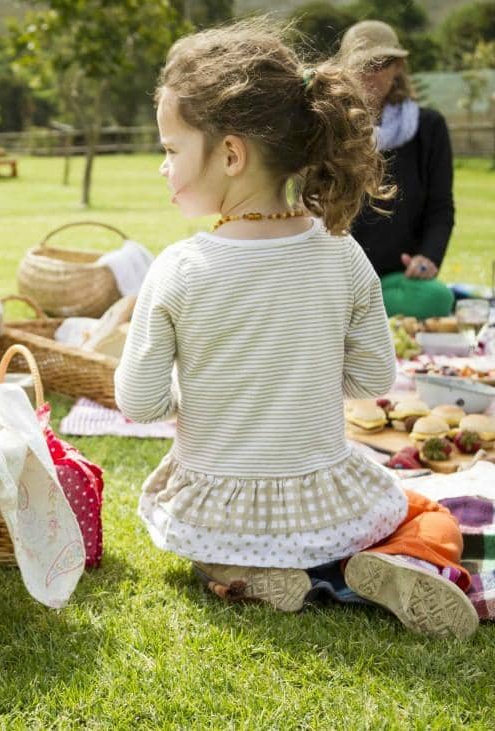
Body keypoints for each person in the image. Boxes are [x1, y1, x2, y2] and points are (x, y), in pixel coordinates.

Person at [115, 21, 477, 638]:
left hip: (216, 509)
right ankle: (396, 558)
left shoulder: (179, 268)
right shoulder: (343, 254)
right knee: (428, 513)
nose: (162, 167)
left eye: (171, 150)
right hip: (329, 507)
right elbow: (372, 380)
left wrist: (202, 391)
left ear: (231, 155)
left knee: (216, 543)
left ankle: (238, 571)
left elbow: (139, 403)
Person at [341, 20, 456, 319]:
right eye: (361, 64)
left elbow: (440, 207)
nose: (370, 73)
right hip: (339, 275)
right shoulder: (330, 128)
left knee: (436, 298)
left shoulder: (429, 128)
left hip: (398, 278)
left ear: (398, 67)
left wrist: (427, 258)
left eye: (381, 63)